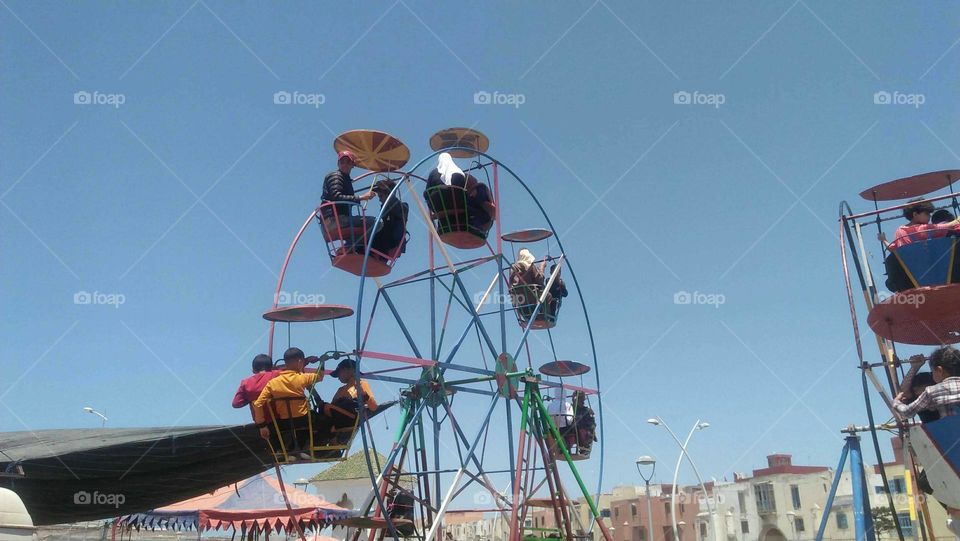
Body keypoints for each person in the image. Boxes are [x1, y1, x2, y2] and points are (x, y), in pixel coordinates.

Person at [252, 348, 324, 457]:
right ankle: (316, 447)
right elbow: (320, 377)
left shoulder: (272, 383)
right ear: (300, 362)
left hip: (284, 422)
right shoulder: (303, 378)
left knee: (291, 425)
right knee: (324, 420)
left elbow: (257, 404)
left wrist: (262, 425)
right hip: (304, 419)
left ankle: (293, 450)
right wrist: (322, 362)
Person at [321, 150, 379, 250]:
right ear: (338, 163)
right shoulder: (336, 176)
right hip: (335, 220)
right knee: (376, 222)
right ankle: (353, 248)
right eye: (342, 162)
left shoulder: (345, 179)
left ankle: (351, 247)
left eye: (348, 162)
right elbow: (336, 196)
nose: (345, 164)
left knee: (363, 227)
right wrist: (361, 197)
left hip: (334, 220)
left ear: (353, 165)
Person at [312, 358, 378, 440]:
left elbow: (374, 407)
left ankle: (326, 433)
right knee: (317, 414)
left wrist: (364, 395)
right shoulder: (341, 390)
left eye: (338, 373)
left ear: (347, 370)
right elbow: (329, 409)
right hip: (338, 418)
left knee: (325, 407)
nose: (338, 377)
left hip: (350, 418)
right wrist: (313, 392)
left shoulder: (361, 384)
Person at [893, 346, 960, 419]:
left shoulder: (931, 392)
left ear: (939, 370)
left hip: (948, 429)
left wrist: (896, 402)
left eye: (933, 371)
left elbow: (907, 412)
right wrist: (914, 368)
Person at [882, 198, 960, 251]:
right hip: (927, 261)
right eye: (927, 214)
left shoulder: (899, 230)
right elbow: (951, 225)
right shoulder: (923, 228)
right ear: (915, 214)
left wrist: (883, 240)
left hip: (908, 266)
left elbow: (893, 249)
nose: (929, 216)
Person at [369, 178, 408, 260]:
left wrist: (389, 188)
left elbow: (392, 201)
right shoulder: (385, 210)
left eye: (381, 196)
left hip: (391, 243)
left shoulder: (403, 208)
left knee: (370, 227)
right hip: (383, 243)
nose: (379, 199)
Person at [232, 354, 279, 420]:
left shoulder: (245, 383)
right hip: (281, 420)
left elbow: (236, 403)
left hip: (261, 425)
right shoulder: (277, 374)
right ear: (271, 367)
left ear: (253, 370)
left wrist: (251, 399)